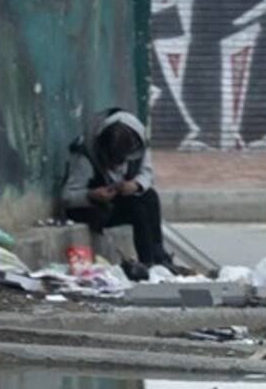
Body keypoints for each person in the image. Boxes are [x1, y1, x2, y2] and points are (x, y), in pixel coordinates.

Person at [61, 108, 178, 273]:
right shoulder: (84, 155)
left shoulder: (139, 144)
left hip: (118, 200)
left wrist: (135, 185)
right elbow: (67, 197)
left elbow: (146, 174)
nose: (118, 167)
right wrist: (91, 195)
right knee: (137, 210)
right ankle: (148, 261)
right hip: (94, 209)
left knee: (149, 196)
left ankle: (158, 254)